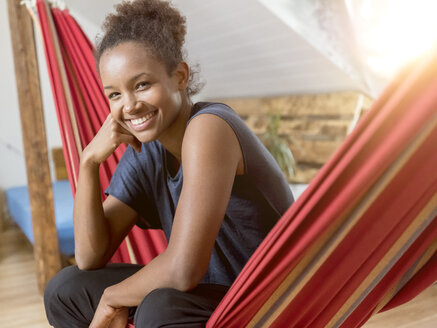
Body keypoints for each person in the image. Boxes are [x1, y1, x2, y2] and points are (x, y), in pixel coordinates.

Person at [43, 0, 294, 327]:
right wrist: (88, 162)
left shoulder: (210, 127)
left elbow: (183, 269)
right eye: (114, 94)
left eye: (142, 85)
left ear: (179, 76)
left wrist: (112, 298)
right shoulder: (147, 152)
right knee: (65, 289)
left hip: (264, 300)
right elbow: (90, 257)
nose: (129, 106)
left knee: (160, 307)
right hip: (206, 296)